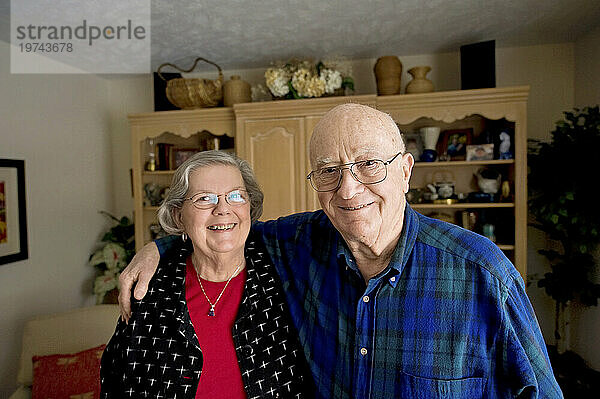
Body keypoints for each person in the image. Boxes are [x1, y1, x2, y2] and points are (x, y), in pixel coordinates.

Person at [119, 104, 563, 398]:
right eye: (329, 170)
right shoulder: (299, 243)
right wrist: (159, 246)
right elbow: (225, 228)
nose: (348, 188)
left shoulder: (482, 273)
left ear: (405, 170)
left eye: (368, 164)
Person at [101, 151, 311, 398]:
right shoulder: (150, 288)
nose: (223, 209)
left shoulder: (284, 275)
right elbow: (115, 379)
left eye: (236, 196)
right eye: (204, 199)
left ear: (249, 207)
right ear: (179, 216)